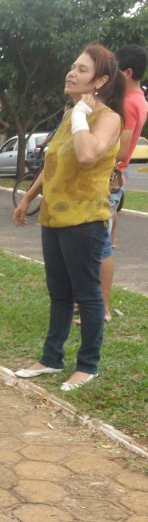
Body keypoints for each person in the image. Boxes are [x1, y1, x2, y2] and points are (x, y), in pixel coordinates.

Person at [12, 43, 124, 392]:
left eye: (82, 70)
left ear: (101, 80)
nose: (71, 72)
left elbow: (88, 154)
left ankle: (87, 366)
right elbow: (54, 163)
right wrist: (28, 198)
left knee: (87, 294)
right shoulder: (69, 116)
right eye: (72, 66)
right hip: (54, 218)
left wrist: (79, 116)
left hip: (85, 220)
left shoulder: (108, 118)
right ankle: (50, 359)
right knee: (59, 293)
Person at [101, 44, 148, 323]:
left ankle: (102, 308)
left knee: (100, 245)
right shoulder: (139, 99)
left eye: (116, 68)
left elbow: (121, 149)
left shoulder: (129, 103)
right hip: (117, 178)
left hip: (110, 177)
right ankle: (92, 302)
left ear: (127, 72)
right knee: (100, 242)